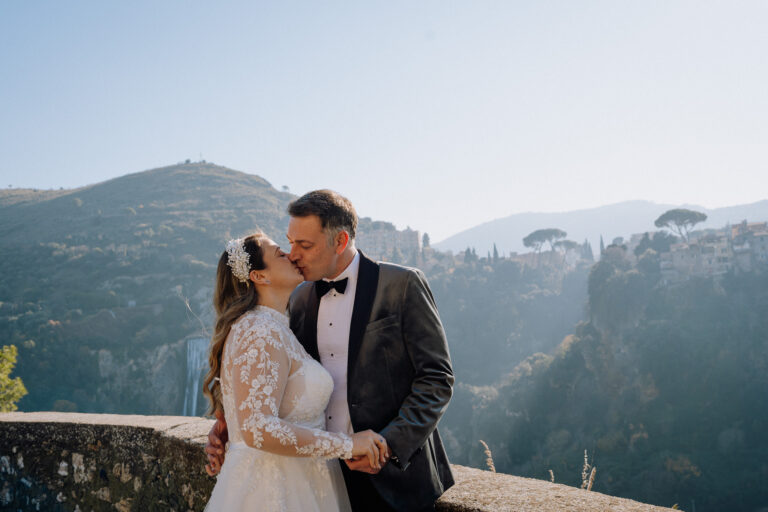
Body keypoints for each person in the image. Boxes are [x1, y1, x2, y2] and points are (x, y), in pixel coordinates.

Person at [207, 190, 455, 512]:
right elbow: (272, 377)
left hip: (396, 477)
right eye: (290, 243)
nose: (293, 254)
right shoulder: (298, 299)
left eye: (304, 245)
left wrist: (388, 445)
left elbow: (436, 379)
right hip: (323, 475)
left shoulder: (402, 284)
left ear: (340, 241)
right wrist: (232, 422)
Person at [202, 232, 388, 511]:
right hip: (273, 489)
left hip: (301, 481)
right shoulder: (259, 330)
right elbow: (257, 428)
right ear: (259, 276)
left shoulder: (274, 326)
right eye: (279, 253)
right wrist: (348, 445)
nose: (291, 255)